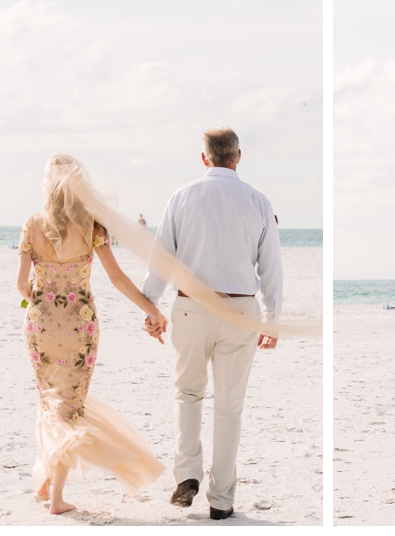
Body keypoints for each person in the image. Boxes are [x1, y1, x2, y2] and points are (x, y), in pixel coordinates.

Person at [142, 128, 283, 520]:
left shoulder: (182, 197)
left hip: (190, 308)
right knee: (229, 406)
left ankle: (187, 474)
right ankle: (221, 500)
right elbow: (271, 268)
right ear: (238, 156)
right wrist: (273, 319)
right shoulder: (258, 201)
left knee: (187, 393)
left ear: (204, 158)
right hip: (240, 311)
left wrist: (150, 305)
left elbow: (161, 259)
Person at [16, 154, 165, 515]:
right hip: (80, 325)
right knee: (67, 406)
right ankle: (55, 499)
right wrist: (152, 309)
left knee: (49, 399)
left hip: (40, 325)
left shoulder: (31, 224)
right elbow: (116, 278)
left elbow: (22, 286)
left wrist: (42, 300)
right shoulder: (92, 225)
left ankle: (47, 484)